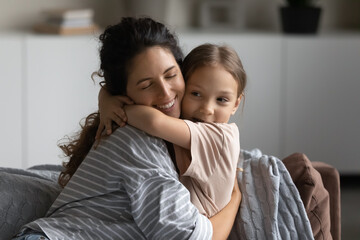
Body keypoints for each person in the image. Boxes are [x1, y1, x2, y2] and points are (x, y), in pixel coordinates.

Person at [13, 17, 240, 240]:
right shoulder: (138, 140)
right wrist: (234, 199)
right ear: (124, 93)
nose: (166, 93)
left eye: (171, 75)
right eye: (147, 84)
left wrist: (108, 99)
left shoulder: (174, 134)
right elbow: (185, 236)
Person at [99, 43, 247, 219]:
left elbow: (154, 122)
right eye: (196, 94)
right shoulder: (180, 127)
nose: (207, 109)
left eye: (221, 99)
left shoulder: (220, 136)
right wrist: (105, 96)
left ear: (236, 104)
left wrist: (113, 105)